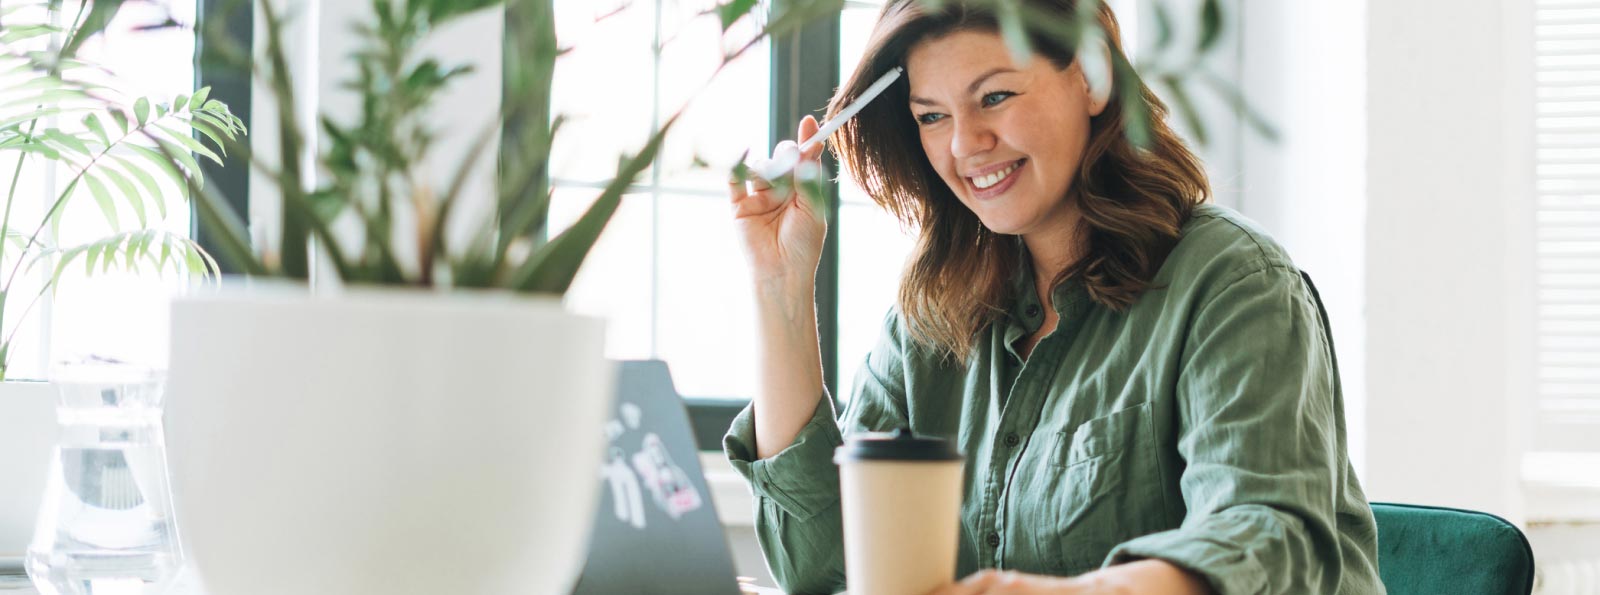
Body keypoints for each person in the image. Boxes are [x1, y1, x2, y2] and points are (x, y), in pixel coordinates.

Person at [723, 0, 1384, 593]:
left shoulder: (1234, 283)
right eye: (931, 115)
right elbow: (819, 562)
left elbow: (1266, 540)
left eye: (995, 97)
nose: (963, 145)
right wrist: (778, 284)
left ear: (1092, 77)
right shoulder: (934, 312)